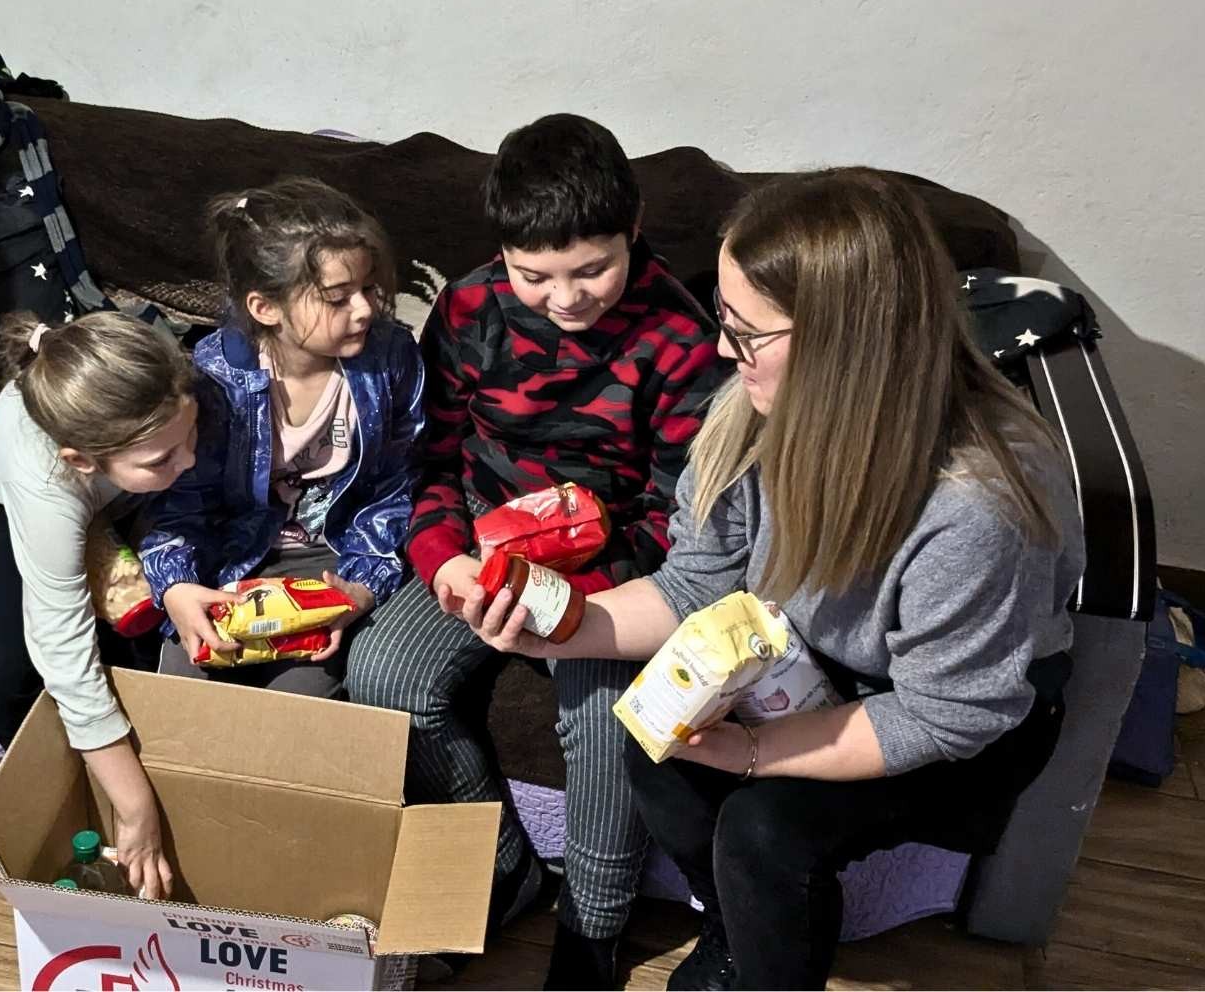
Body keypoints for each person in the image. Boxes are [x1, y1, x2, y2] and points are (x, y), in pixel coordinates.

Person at [464, 168, 1084, 990]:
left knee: (766, 831)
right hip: (810, 662)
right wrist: (562, 622)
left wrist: (755, 753)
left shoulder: (976, 503)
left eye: (748, 332)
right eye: (726, 319)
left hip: (964, 714)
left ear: (844, 343)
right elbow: (693, 586)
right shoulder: (751, 415)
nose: (725, 349)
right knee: (650, 740)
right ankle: (729, 928)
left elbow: (946, 714)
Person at [344, 114, 728, 988]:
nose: (565, 297)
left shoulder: (678, 336)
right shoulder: (473, 305)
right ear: (502, 254)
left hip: (613, 559)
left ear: (633, 228)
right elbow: (431, 456)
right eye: (536, 275)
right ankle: (503, 865)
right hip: (482, 529)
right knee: (386, 675)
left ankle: (595, 925)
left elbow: (681, 511)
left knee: (602, 718)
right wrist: (442, 558)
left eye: (592, 268)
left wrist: (574, 600)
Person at [141, 179, 423, 696]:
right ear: (265, 307)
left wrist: (362, 585)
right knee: (190, 693)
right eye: (338, 299)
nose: (363, 309)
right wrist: (177, 586)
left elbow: (395, 486)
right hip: (229, 558)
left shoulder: (390, 360)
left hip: (335, 557)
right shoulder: (216, 377)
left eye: (368, 289)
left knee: (301, 699)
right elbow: (181, 499)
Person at [0, 310, 198, 901]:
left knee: (154, 660)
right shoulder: (46, 486)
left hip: (141, 510)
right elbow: (62, 647)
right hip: (67, 512)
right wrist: (135, 803)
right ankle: (83, 793)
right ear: (80, 458)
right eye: (162, 459)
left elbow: (185, 467)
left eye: (189, 438)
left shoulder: (161, 392)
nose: (188, 460)